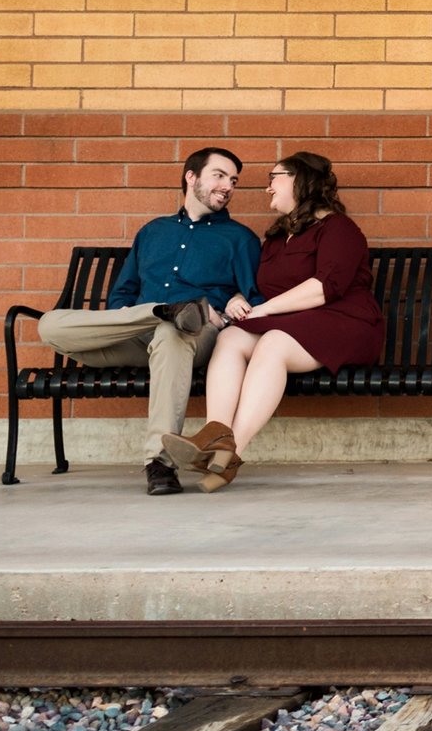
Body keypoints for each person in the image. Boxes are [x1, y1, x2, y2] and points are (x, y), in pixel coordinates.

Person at [34, 147, 263, 496]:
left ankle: (159, 464)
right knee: (49, 324)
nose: (227, 186)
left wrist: (232, 301)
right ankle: (163, 310)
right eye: (219, 175)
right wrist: (136, 317)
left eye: (233, 181)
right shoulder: (153, 232)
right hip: (135, 335)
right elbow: (121, 298)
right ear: (191, 177)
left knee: (173, 333)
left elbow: (255, 299)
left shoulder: (240, 238)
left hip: (194, 336)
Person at [161, 151, 383, 492]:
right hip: (291, 324)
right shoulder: (279, 238)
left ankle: (232, 451)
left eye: (273, 178)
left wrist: (264, 311)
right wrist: (239, 300)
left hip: (344, 323)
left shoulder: (339, 229)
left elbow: (325, 288)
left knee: (272, 344)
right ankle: (215, 433)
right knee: (231, 338)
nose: (267, 188)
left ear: (300, 180)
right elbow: (258, 290)